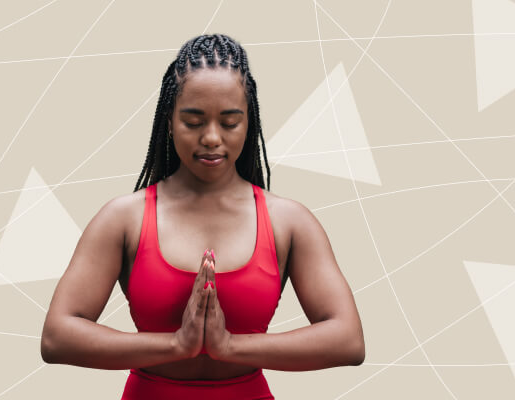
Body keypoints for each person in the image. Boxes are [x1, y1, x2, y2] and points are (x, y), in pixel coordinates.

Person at [40, 33, 365, 399]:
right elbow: (57, 336)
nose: (211, 137)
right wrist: (176, 345)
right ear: (169, 120)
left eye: (229, 123)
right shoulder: (123, 218)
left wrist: (229, 347)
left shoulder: (288, 222)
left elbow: (348, 339)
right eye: (194, 122)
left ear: (250, 122)